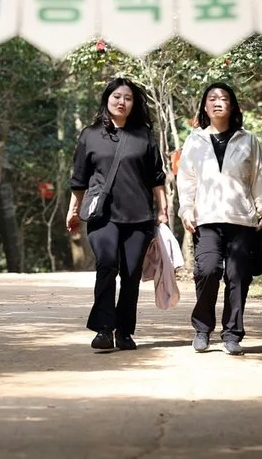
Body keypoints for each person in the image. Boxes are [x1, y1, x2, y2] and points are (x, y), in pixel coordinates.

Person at [67, 77, 168, 351]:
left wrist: (163, 210)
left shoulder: (144, 136)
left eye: (128, 98)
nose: (122, 102)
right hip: (103, 215)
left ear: (134, 104)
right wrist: (73, 210)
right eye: (117, 97)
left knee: (131, 274)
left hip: (139, 217)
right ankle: (104, 330)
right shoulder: (90, 135)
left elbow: (157, 177)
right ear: (107, 99)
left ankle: (124, 332)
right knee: (107, 264)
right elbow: (79, 178)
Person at [176, 82, 262, 355]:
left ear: (232, 105)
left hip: (242, 219)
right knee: (207, 270)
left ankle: (232, 334)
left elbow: (259, 179)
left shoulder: (248, 139)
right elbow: (186, 179)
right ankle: (202, 329)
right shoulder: (195, 141)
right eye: (212, 98)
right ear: (205, 107)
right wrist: (186, 210)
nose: (218, 102)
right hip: (206, 218)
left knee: (238, 276)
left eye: (223, 98)